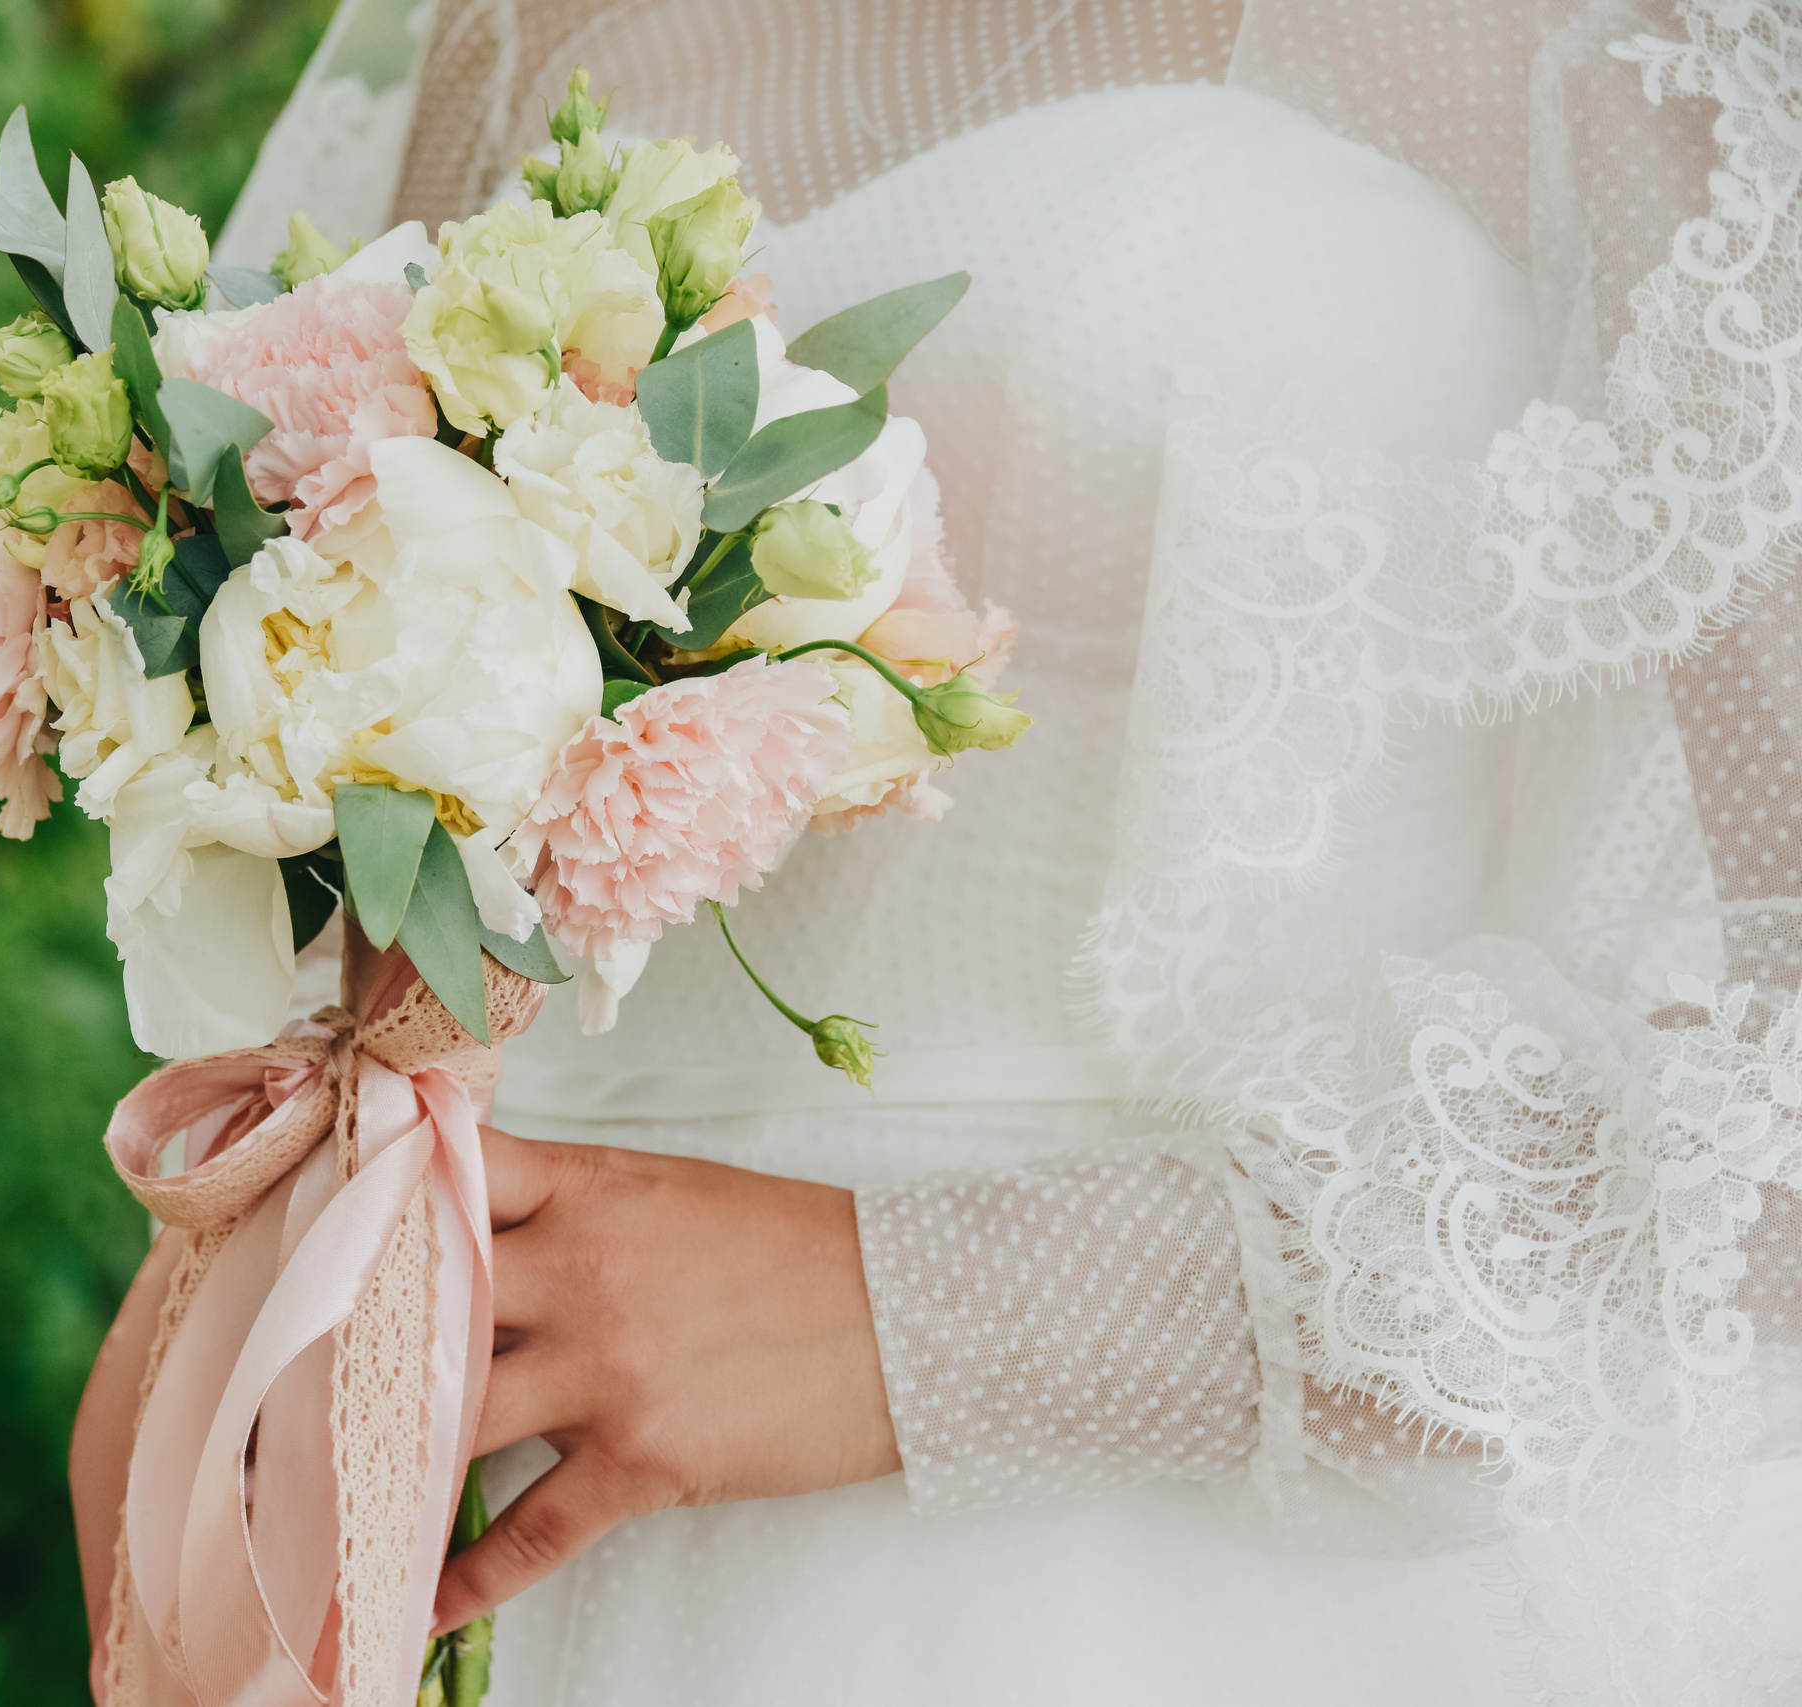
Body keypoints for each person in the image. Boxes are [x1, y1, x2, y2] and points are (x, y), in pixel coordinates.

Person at [203, 0, 1802, 1698]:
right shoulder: (515, 29)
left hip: (1213, 1583)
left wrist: (932, 1317)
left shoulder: (1638, 36)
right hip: (541, 1545)